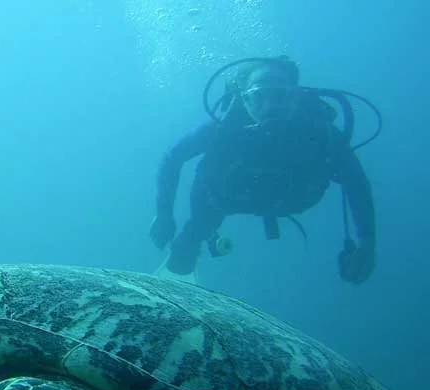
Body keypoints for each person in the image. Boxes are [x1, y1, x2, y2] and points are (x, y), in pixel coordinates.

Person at [150, 55, 379, 284]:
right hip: (227, 198)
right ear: (245, 101)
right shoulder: (223, 130)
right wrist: (164, 213)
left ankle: (192, 241)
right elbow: (173, 157)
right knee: (188, 244)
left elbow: (356, 183)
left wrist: (367, 241)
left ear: (296, 98)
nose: (270, 106)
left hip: (289, 197)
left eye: (280, 95)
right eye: (259, 96)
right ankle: (189, 248)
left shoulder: (322, 136)